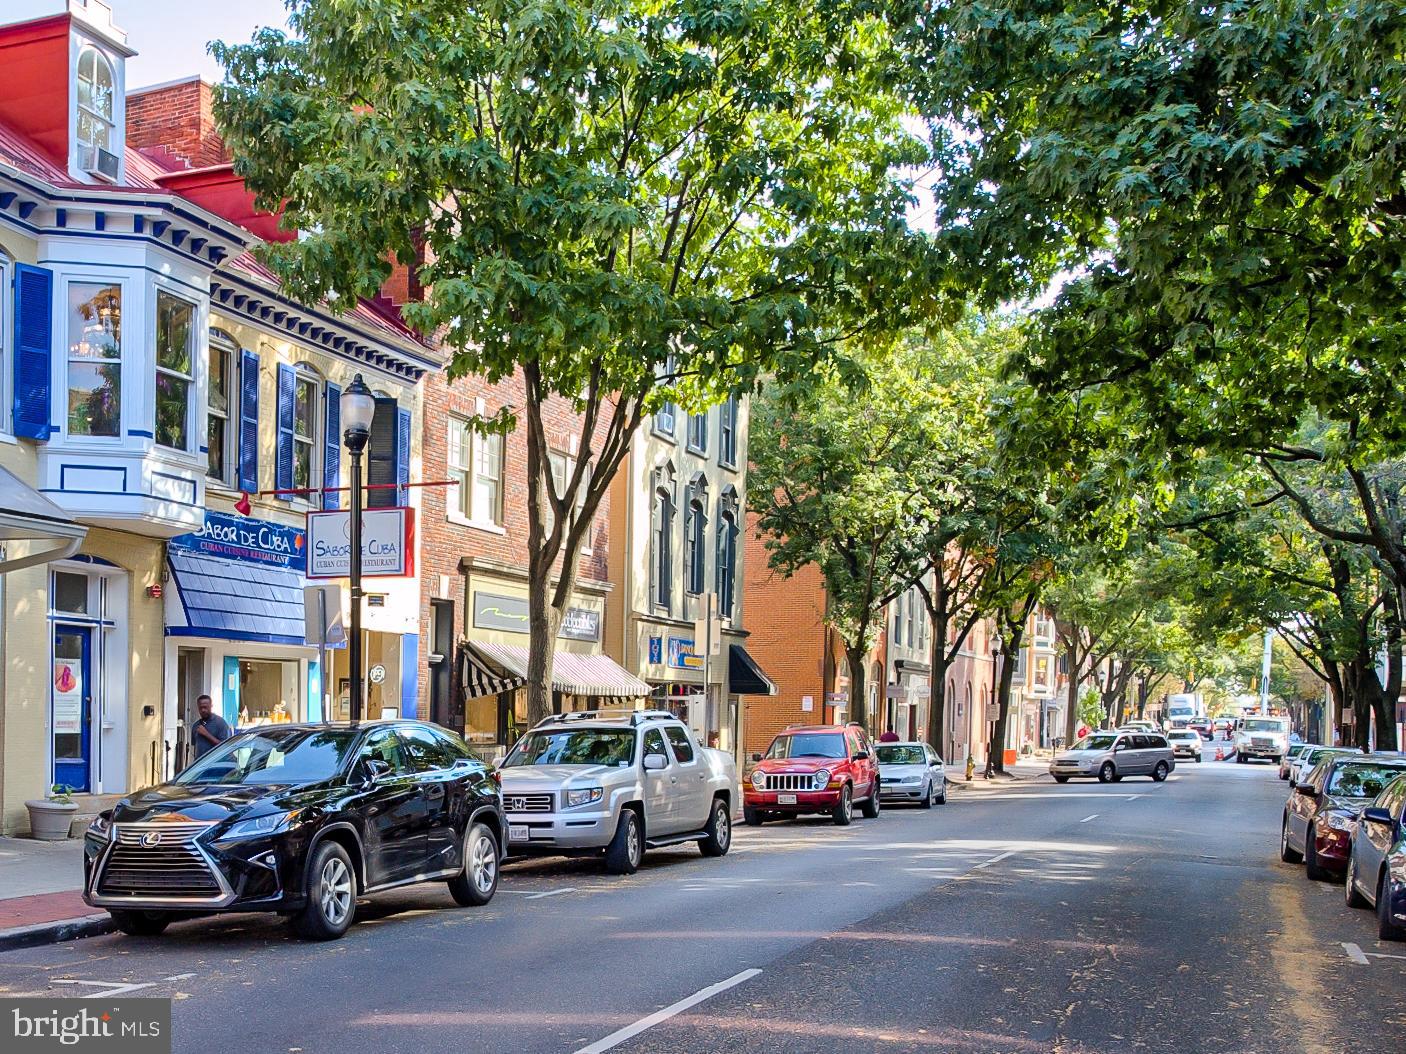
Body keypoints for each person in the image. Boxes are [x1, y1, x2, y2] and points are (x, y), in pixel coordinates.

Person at [192, 694, 232, 759]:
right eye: (200, 708)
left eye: (205, 707)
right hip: (200, 766)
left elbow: (225, 746)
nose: (203, 710)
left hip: (216, 765)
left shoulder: (220, 723)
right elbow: (195, 748)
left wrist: (206, 734)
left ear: (211, 706)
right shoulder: (196, 726)